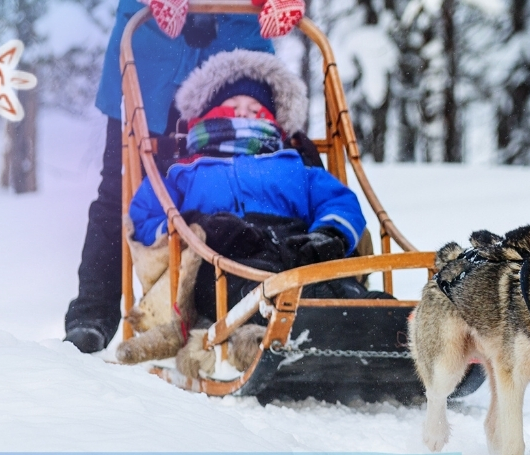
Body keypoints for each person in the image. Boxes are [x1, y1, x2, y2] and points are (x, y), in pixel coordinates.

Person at [62, 0, 302, 353]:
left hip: (236, 58)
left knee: (251, 187)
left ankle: (247, 300)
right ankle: (92, 314)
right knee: (121, 189)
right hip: (150, 52)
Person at [114, 49, 371, 374]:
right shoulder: (184, 172)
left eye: (255, 110)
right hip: (221, 256)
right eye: (232, 108)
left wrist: (329, 233)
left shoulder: (294, 164)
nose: (244, 115)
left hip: (294, 248)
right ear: (206, 117)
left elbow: (338, 201)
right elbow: (145, 217)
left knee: (334, 286)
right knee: (241, 288)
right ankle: (255, 339)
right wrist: (193, 225)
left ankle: (377, 323)